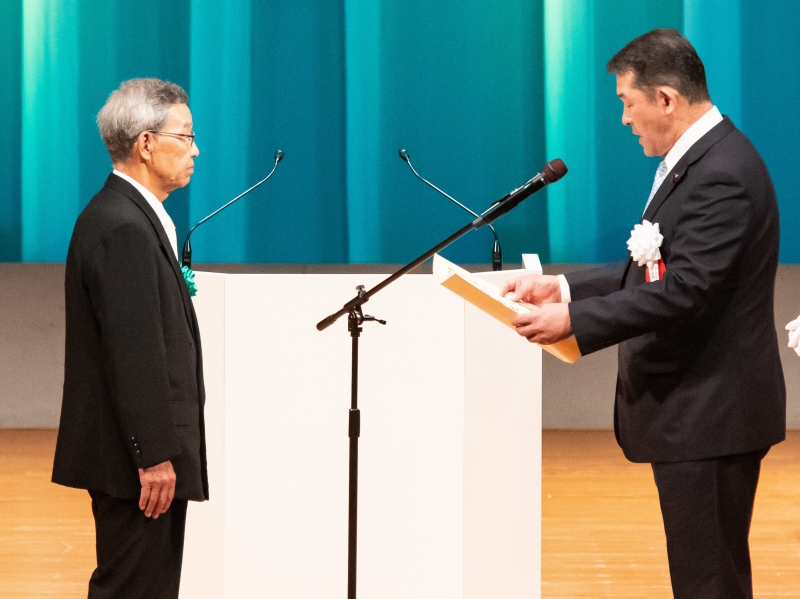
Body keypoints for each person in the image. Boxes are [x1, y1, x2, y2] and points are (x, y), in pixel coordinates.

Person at [501, 29, 785, 599]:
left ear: (665, 99)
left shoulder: (722, 171)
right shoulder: (702, 159)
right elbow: (653, 269)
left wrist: (574, 324)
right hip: (701, 413)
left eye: (628, 104)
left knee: (709, 583)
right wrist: (561, 289)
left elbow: (686, 289)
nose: (625, 120)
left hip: (711, 413)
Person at [52, 78, 206, 599]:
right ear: (145, 143)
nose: (195, 150)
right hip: (137, 467)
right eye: (184, 137)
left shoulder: (130, 216)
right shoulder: (122, 225)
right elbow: (132, 353)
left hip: (140, 460)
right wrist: (154, 456)